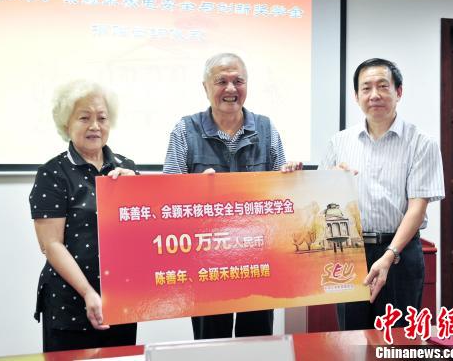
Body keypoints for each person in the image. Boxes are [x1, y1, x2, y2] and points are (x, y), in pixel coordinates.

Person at [163, 53, 291, 339]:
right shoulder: (185, 130)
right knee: (210, 344)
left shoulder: (267, 129)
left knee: (257, 342)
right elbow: (168, 196)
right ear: (206, 87)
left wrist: (289, 177)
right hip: (205, 263)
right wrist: (194, 190)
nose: (231, 89)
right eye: (221, 81)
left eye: (238, 81)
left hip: (257, 260)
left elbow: (282, 196)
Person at [322, 58, 445, 330]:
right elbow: (322, 202)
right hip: (350, 254)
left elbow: (417, 208)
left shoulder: (421, 142)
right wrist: (331, 181)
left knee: (397, 339)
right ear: (356, 96)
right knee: (351, 339)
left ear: (398, 92)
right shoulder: (338, 143)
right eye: (366, 88)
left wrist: (389, 255)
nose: (374, 95)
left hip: (399, 253)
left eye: (382, 86)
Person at [29, 80, 138, 351]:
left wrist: (138, 189)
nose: (95, 126)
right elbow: (51, 244)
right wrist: (89, 293)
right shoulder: (52, 173)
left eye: (102, 118)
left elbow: (143, 230)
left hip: (121, 301)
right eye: (84, 118)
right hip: (70, 303)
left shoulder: (126, 168)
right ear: (66, 123)